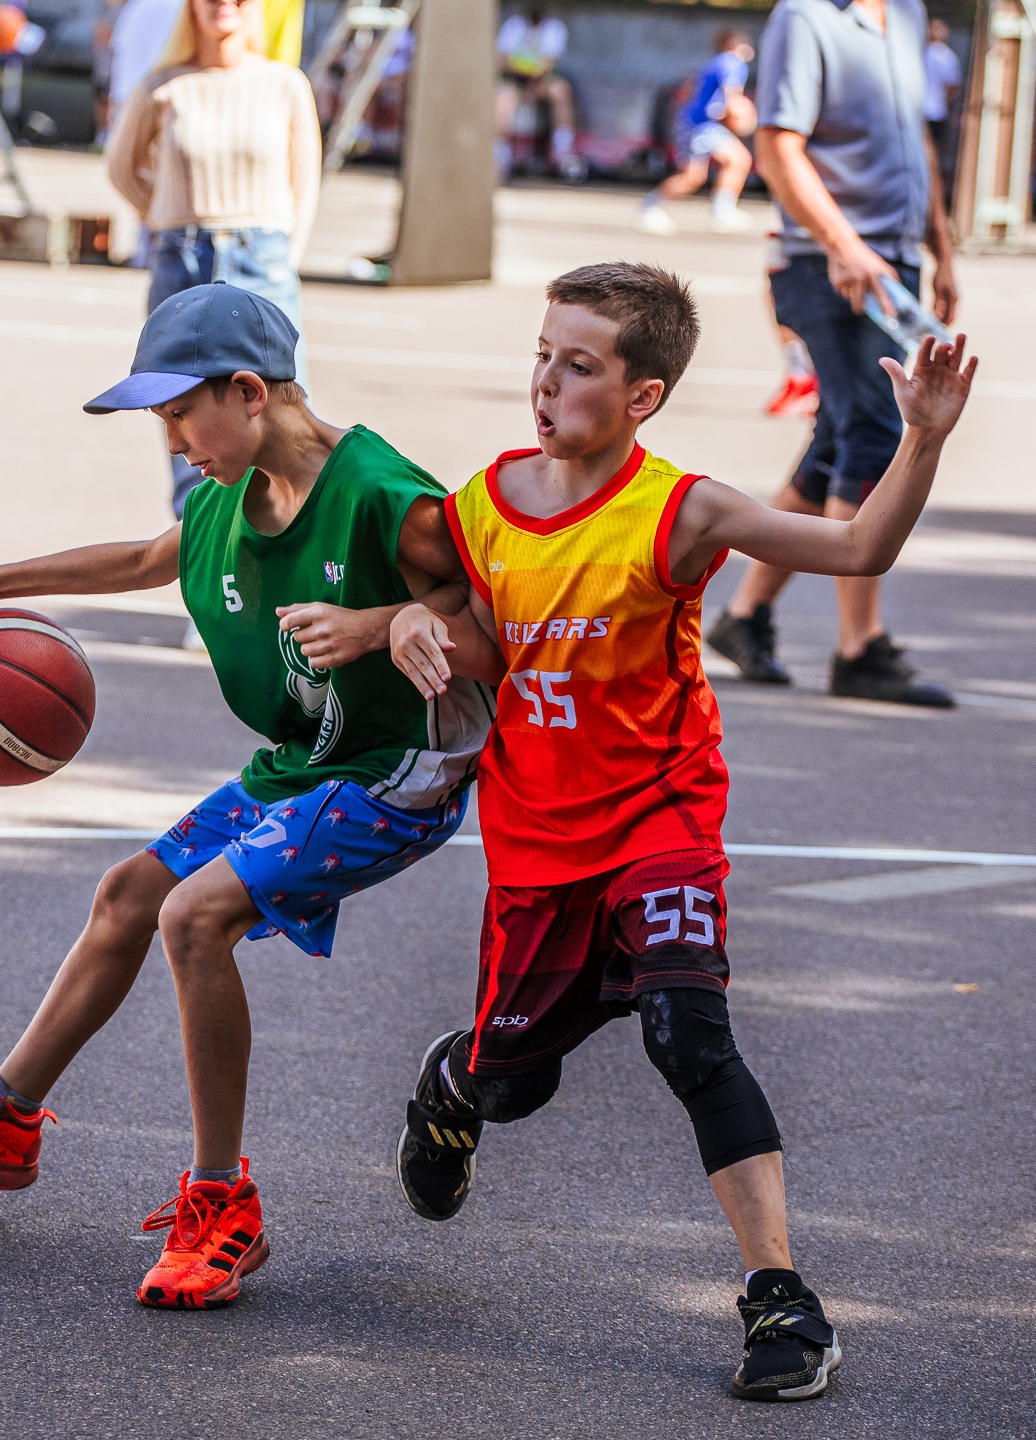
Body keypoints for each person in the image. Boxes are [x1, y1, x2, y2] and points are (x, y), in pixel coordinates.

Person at [386, 261, 975, 1403]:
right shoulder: (480, 504)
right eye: (543, 355)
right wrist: (412, 620)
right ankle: (458, 1083)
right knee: (512, 1085)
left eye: (580, 366)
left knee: (688, 1035)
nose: (546, 382)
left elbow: (858, 551)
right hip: (537, 841)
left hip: (660, 817)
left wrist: (924, 438)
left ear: (642, 395)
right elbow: (477, 639)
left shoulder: (681, 510)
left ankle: (781, 1300)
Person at [0, 284, 493, 1311]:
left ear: (250, 391)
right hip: (308, 759)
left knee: (194, 917)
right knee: (129, 896)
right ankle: (3, 1119)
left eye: (181, 412)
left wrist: (382, 624)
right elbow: (155, 558)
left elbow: (498, 613)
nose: (173, 439)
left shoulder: (387, 498)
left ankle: (223, 1202)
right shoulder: (228, 499)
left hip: (395, 771)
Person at [703, 0, 961, 707]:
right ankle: (859, 647)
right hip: (830, 263)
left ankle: (745, 616)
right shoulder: (807, 16)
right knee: (873, 432)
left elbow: (916, 137)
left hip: (894, 261)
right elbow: (777, 147)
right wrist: (844, 246)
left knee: (837, 438)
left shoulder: (907, 13)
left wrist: (941, 247)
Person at [105, 0, 320, 518]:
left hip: (262, 259)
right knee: (184, 410)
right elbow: (121, 169)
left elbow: (304, 185)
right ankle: (200, 541)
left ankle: (293, 536)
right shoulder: (163, 86)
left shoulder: (285, 85)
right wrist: (166, 216)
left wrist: (283, 257)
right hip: (182, 259)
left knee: (284, 413)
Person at [636, 30, 756, 234]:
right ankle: (721, 212)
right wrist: (745, 117)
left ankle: (651, 207)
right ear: (733, 45)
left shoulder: (715, 63)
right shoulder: (732, 63)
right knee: (738, 160)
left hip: (695, 124)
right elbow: (731, 97)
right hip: (703, 125)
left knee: (694, 177)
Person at [494, 7, 582, 181]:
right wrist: (526, 73)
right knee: (503, 100)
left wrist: (534, 75)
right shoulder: (513, 25)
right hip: (516, 82)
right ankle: (500, 159)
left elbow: (549, 62)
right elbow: (503, 60)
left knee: (560, 91)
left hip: (542, 81)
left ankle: (562, 154)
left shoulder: (554, 27)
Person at [922, 17, 961, 188]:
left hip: (923, 111)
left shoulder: (922, 51)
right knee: (931, 154)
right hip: (934, 111)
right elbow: (953, 87)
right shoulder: (946, 56)